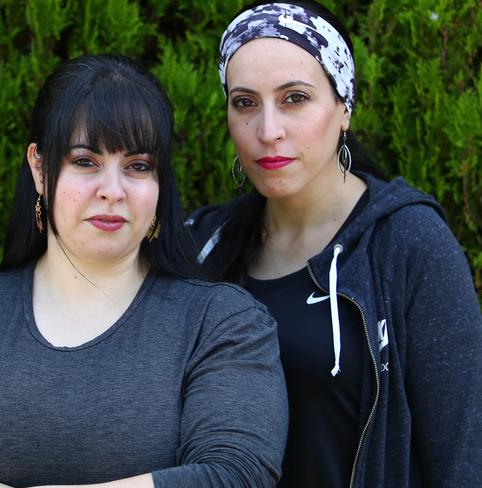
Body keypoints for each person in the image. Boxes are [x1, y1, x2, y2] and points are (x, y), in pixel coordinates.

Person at [0, 55, 288, 488]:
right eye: (86, 161)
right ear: (40, 169)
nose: (113, 191)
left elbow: (237, 475)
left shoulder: (221, 324)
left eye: (138, 166)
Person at [187, 2, 482, 487]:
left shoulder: (408, 246)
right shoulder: (205, 244)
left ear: (344, 106)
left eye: (295, 98)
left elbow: (462, 459)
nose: (268, 131)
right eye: (245, 103)